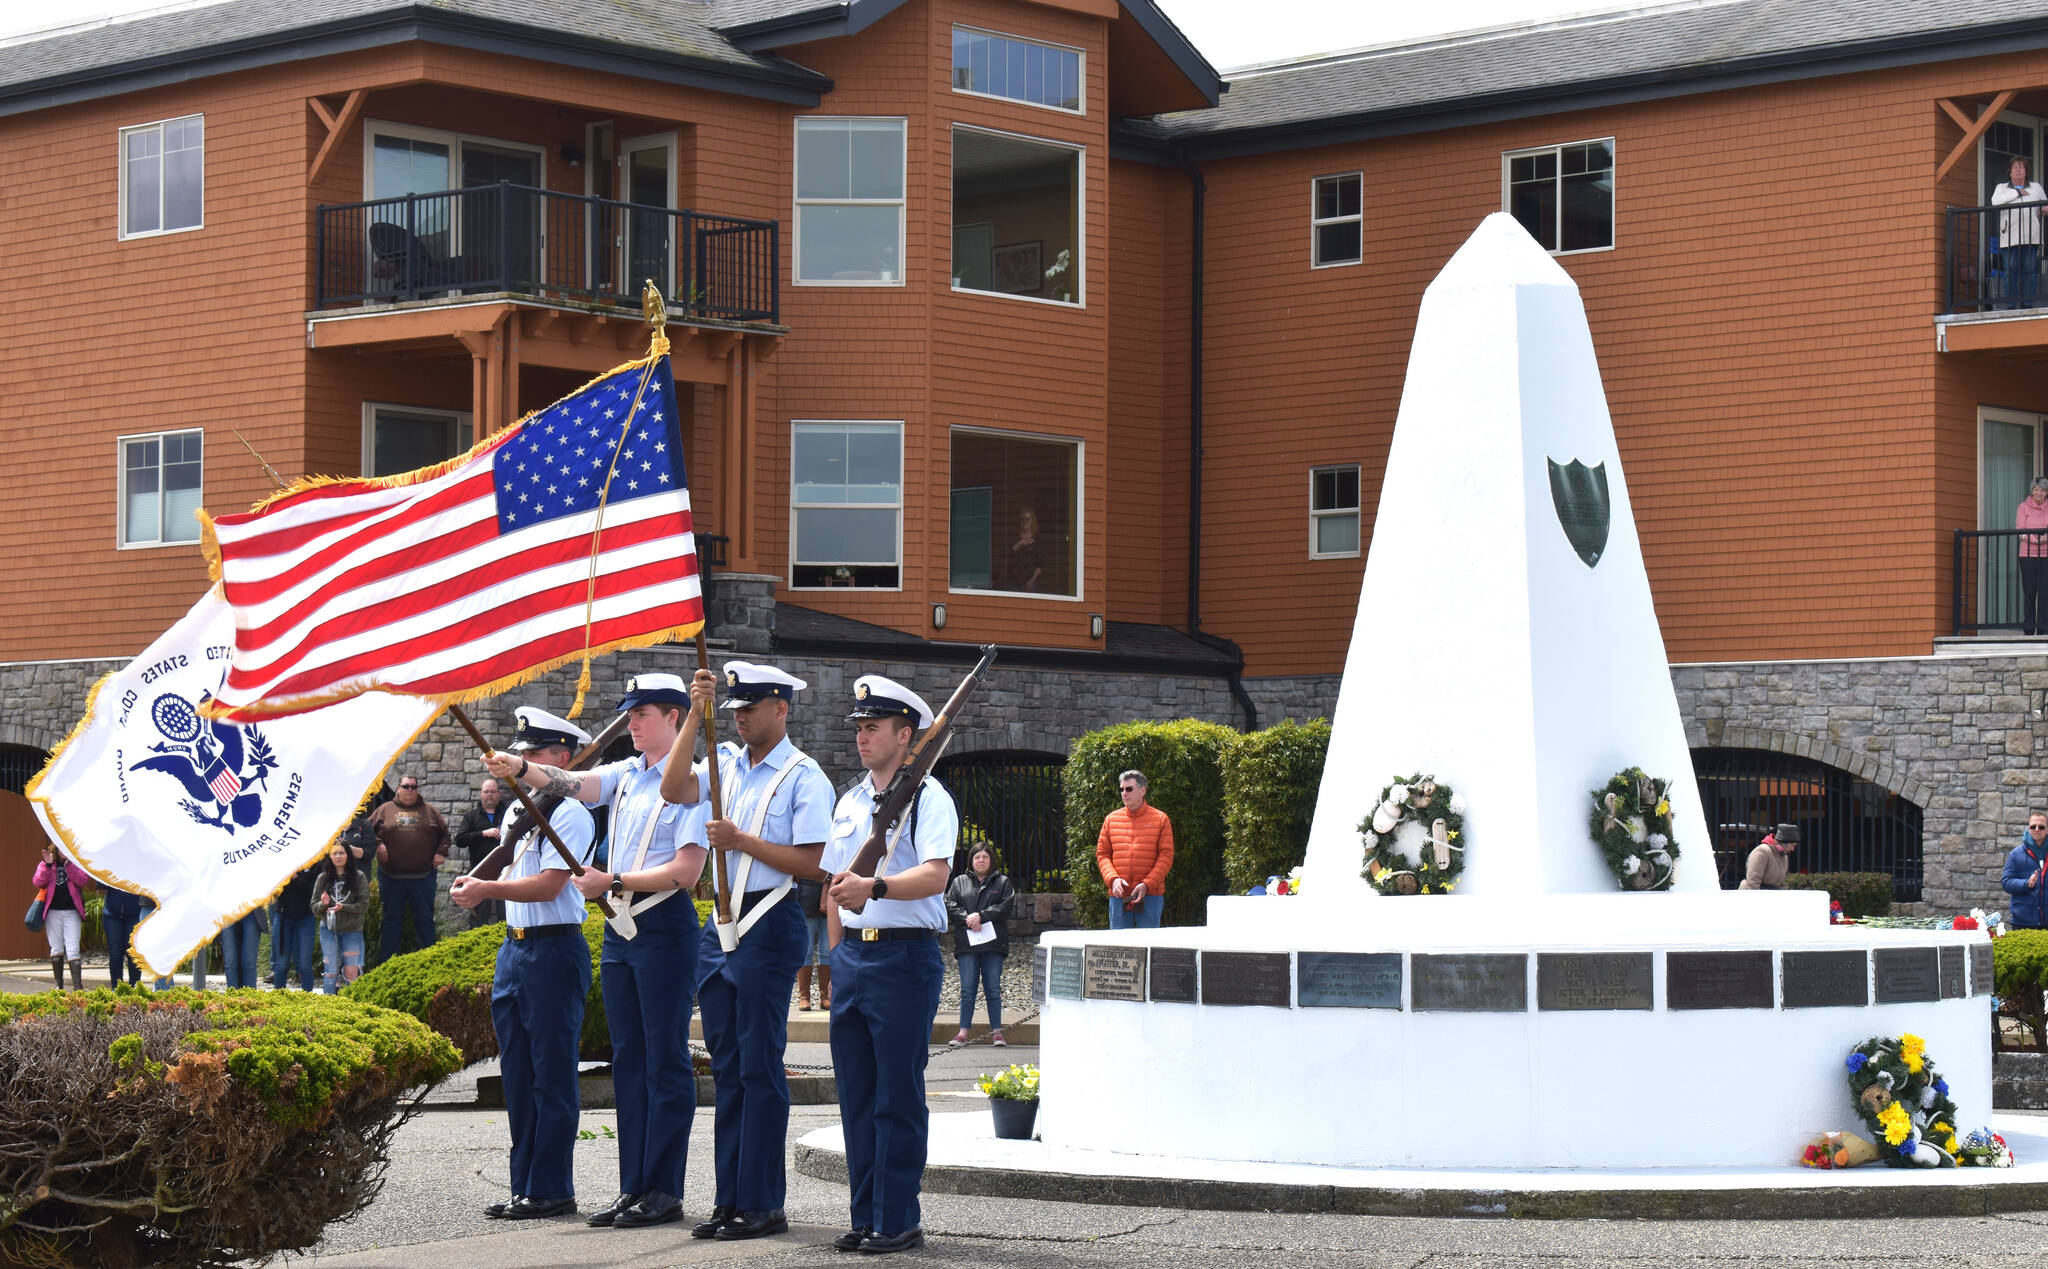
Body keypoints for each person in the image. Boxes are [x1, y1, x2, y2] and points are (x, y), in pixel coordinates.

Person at [488, 674, 706, 1231]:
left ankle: (663, 1188)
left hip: (660, 922)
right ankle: (634, 1186)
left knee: (663, 1061)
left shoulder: (693, 782)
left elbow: (686, 871)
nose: (631, 724)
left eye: (643, 715)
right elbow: (571, 781)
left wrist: (615, 880)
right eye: (629, 715)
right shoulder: (628, 775)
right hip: (620, 926)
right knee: (630, 1061)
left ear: (675, 718)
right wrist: (521, 770)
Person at [669, 661, 833, 1242]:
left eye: (751, 707)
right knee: (729, 1069)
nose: (740, 717)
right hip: (721, 926)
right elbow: (672, 788)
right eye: (734, 709)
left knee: (760, 1067)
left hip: (767, 920)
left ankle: (762, 1202)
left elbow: (816, 864)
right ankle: (729, 1198)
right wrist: (696, 713)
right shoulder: (727, 762)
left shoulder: (803, 775)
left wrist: (742, 841)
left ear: (781, 708)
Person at [823, 674, 959, 1255]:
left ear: (907, 735)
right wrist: (836, 954)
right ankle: (865, 1215)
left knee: (896, 1095)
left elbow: (935, 874)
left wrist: (874, 887)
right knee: (855, 1094)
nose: (862, 736)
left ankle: (897, 1217)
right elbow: (834, 886)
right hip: (854, 957)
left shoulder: (931, 797)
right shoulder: (852, 800)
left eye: (873, 726)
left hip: (904, 957)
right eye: (859, 726)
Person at [452, 707, 597, 1222]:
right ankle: (525, 1186)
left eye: (535, 754)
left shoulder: (572, 813)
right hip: (513, 950)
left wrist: (486, 888)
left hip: (554, 948)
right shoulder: (519, 811)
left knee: (551, 1075)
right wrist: (483, 879)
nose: (525, 760)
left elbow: (551, 885)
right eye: (524, 752)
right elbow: (511, 860)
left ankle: (553, 1187)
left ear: (561, 758)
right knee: (517, 1074)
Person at [368, 774, 448, 961]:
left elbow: (446, 835)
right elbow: (366, 831)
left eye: (413, 786)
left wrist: (441, 853)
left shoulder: (431, 812)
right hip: (391, 877)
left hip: (423, 877)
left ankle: (430, 961)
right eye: (406, 786)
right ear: (398, 789)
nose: (410, 790)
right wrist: (378, 844)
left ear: (417, 789)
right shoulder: (383, 810)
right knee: (391, 922)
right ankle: (388, 965)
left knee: (425, 921)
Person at [945, 842, 1016, 1047]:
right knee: (968, 989)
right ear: (971, 860)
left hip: (993, 944)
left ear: (991, 860)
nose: (981, 860)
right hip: (967, 944)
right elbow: (950, 904)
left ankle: (997, 1032)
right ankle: (962, 1032)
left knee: (993, 988)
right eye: (977, 857)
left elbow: (1005, 906)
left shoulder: (1002, 882)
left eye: (985, 857)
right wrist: (968, 918)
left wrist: (982, 916)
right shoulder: (958, 882)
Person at [1095, 770, 1174, 929]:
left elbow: (1166, 856)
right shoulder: (1111, 820)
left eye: (1129, 789)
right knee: (1120, 947)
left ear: (1142, 790)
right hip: (1119, 895)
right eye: (1121, 789)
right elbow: (1102, 854)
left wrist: (1147, 884)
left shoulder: (1160, 819)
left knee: (1149, 946)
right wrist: (1113, 879)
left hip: (1150, 895)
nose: (1124, 793)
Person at [33, 843, 92, 990]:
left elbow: (83, 880)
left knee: (73, 949)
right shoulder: (47, 863)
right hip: (53, 912)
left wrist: (70, 865)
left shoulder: (75, 862)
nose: (63, 852)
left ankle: (78, 987)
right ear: (56, 848)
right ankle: (58, 987)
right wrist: (47, 866)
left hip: (71, 912)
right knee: (56, 948)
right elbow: (38, 882)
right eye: (61, 848)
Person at [313, 844, 369, 993]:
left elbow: (363, 906)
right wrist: (323, 904)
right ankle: (329, 1007)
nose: (338, 856)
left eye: (341, 853)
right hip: (329, 930)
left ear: (348, 855)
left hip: (352, 930)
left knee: (352, 972)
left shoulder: (359, 877)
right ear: (329, 856)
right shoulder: (322, 878)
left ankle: (354, 1007)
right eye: (335, 853)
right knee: (330, 970)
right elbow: (314, 907)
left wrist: (344, 907)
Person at [1994, 156, 2047, 309]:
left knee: (2029, 270)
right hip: (2009, 237)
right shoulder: (2002, 187)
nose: (2018, 170)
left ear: (2026, 172)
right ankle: (2011, 304)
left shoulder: (2036, 187)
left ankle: (2027, 303)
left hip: (2032, 236)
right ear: (2009, 172)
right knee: (2011, 270)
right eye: (2015, 167)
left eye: (2021, 167)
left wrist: (2044, 209)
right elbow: (1995, 202)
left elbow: (2044, 204)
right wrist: (2017, 194)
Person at [456, 777, 509, 928]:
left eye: (493, 792)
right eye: (486, 792)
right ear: (481, 794)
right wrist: (483, 833)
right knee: (478, 917)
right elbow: (460, 840)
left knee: (507, 915)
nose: (490, 795)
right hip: (480, 872)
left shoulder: (508, 814)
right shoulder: (471, 817)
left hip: (505, 872)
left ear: (499, 794)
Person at [271, 860, 322, 991]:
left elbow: (314, 890)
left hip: (305, 917)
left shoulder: (315, 861)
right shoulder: (283, 860)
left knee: (305, 964)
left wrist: (295, 878)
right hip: (283, 917)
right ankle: (278, 1001)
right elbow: (274, 890)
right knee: (281, 964)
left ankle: (307, 1001)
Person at [2004, 811, 2048, 930]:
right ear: (2029, 828)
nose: (2037, 829)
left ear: (2047, 830)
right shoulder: (2015, 854)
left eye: (2041, 827)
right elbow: (2006, 882)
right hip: (2023, 922)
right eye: (2033, 826)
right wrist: (2027, 883)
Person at [793, 874, 829, 1011]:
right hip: (805, 900)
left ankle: (825, 997)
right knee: (806, 951)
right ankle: (804, 997)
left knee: (826, 950)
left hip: (829, 899)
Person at [2019, 478, 2048, 636]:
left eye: (2043, 490)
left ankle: (2043, 627)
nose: (2039, 493)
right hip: (2027, 554)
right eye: (2036, 489)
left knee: (2045, 592)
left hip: (2046, 555)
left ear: (2046, 493)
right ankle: (2029, 627)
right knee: (2029, 591)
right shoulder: (2023, 507)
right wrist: (2036, 540)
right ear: (2032, 491)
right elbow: (2020, 530)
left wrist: (2045, 539)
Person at [100, 884, 144, 988]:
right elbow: (101, 887)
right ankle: (116, 988)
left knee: (134, 952)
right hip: (112, 914)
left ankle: (135, 988)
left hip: (135, 913)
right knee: (115, 953)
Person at [1738, 823, 1799, 890]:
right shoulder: (1762, 852)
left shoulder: (1784, 857)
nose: (1793, 849)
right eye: (1792, 845)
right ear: (1783, 843)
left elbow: (1782, 884)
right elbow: (1753, 883)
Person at [219, 906, 267, 989]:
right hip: (226, 909)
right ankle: (232, 999)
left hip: (252, 908)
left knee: (249, 961)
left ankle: (250, 999)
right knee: (230, 961)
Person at [1006, 507, 1044, 593]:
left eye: (1027, 519)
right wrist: (1020, 543)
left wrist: (1032, 581)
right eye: (1022, 519)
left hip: (1031, 583)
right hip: (1013, 583)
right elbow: (1006, 555)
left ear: (1032, 521)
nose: (1024, 521)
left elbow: (1040, 564)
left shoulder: (1037, 539)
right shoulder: (1013, 538)